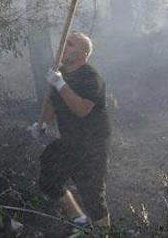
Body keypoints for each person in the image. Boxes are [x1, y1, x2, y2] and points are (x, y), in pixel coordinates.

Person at [30, 32, 111, 235]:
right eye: (63, 42)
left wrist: (60, 84)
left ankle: (104, 235)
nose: (63, 46)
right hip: (69, 142)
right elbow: (51, 107)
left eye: (70, 43)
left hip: (92, 146)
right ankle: (80, 220)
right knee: (49, 181)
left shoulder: (91, 77)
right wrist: (40, 126)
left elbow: (81, 109)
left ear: (83, 53)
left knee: (93, 196)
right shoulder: (61, 75)